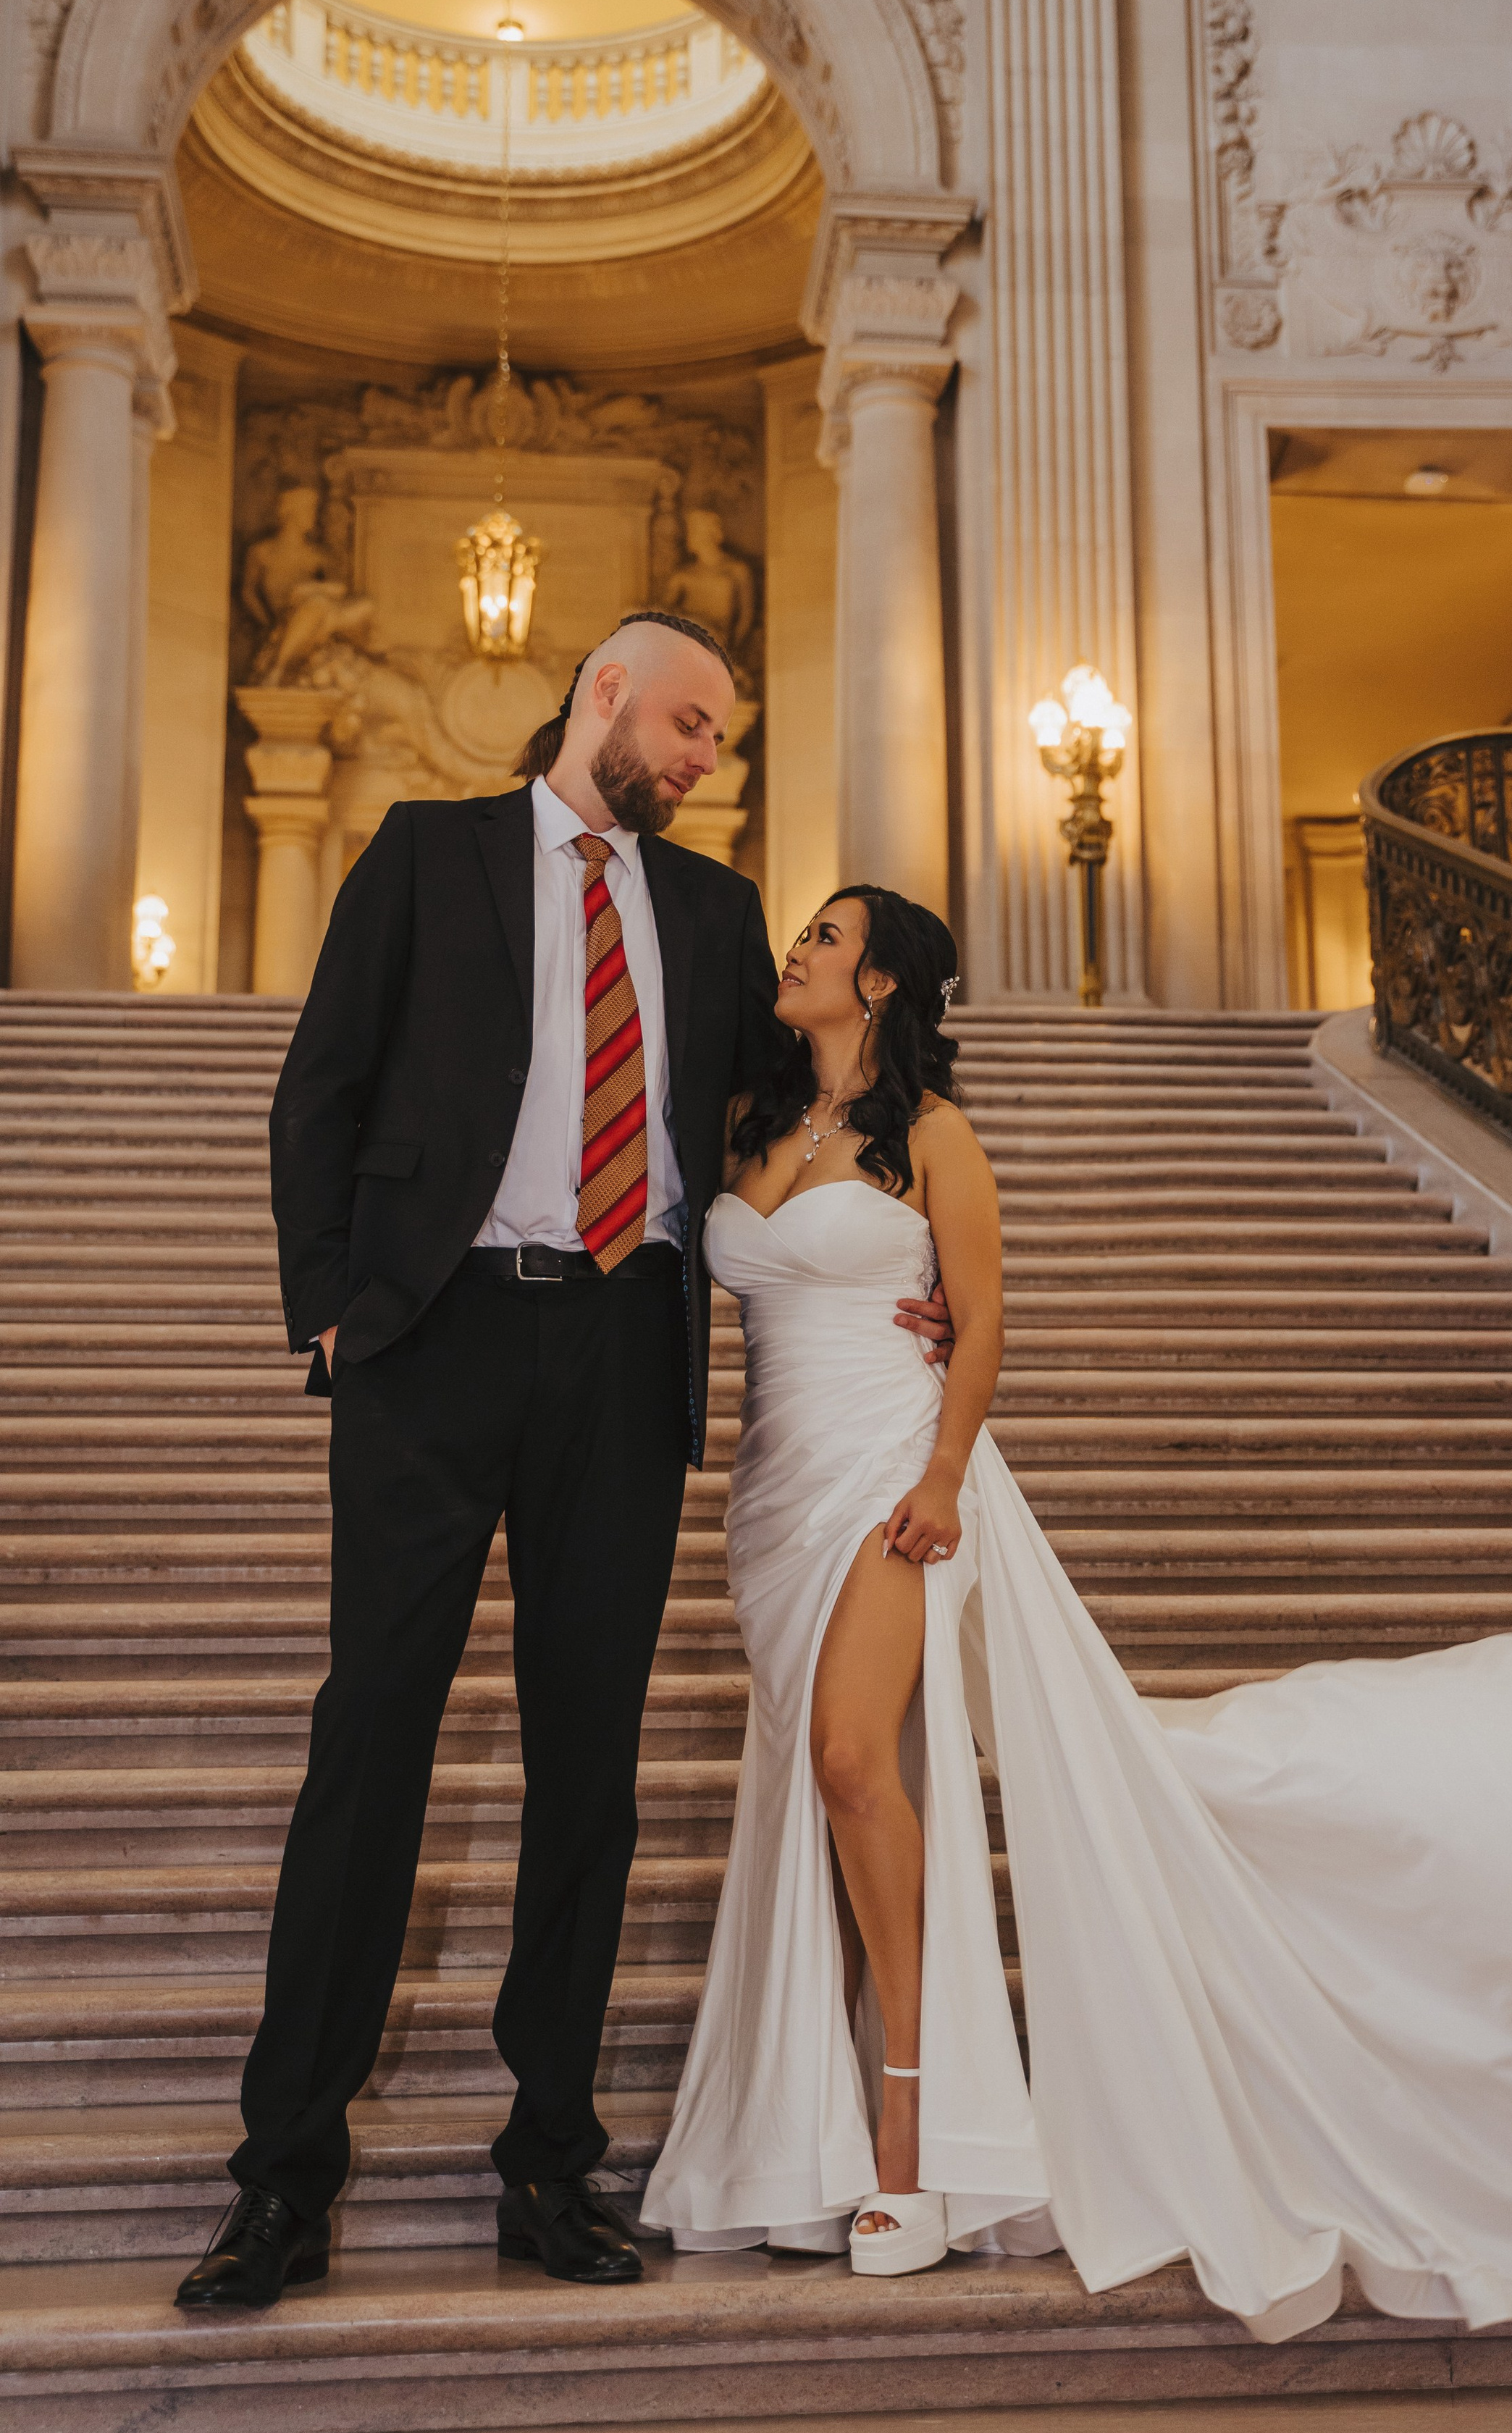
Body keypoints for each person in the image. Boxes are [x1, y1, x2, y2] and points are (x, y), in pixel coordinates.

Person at [642, 883, 1512, 2335]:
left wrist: (947, 1474)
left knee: (855, 1762)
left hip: (891, 1477)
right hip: (772, 1494)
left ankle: (912, 2135)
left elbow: (982, 1320)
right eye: (806, 933)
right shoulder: (748, 1127)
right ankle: (815, 2129)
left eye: (831, 937)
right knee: (840, 1793)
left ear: (891, 983)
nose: (801, 948)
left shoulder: (936, 1140)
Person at [176, 614, 949, 2312]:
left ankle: (549, 2167)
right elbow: (321, 1085)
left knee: (585, 1777)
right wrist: (329, 1308)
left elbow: (786, 1112)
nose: (697, 760)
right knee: (369, 1747)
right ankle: (281, 2182)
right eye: (682, 724)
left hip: (620, 1354)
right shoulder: (425, 853)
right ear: (601, 693)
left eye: (714, 742)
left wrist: (898, 1260)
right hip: (434, 1343)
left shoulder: (714, 908)